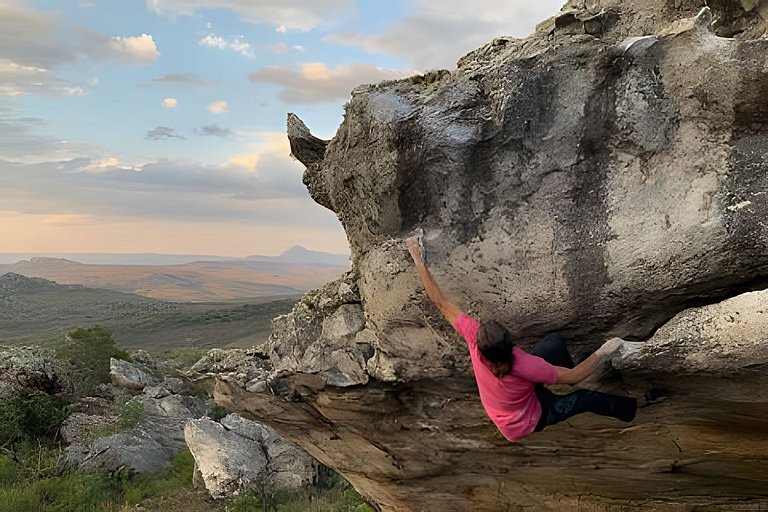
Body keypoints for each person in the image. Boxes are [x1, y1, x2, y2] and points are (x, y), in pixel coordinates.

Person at [405, 232, 639, 442]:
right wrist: (607, 348)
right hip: (527, 421)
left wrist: (417, 257)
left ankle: (553, 380)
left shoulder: (475, 341)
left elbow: (441, 303)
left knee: (554, 344)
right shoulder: (524, 364)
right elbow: (574, 378)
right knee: (585, 398)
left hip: (512, 398)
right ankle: (633, 409)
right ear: (510, 343)